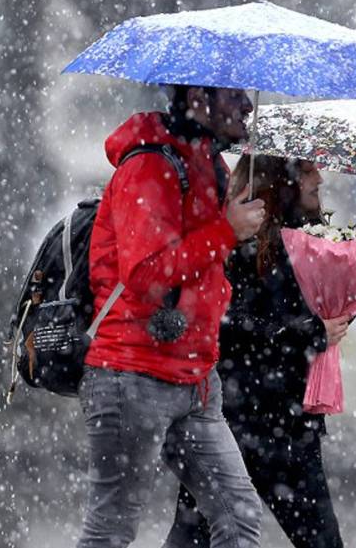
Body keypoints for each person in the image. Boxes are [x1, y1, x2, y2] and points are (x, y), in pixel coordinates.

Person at [80, 85, 266, 548]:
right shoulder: (149, 166)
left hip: (196, 379)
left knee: (238, 516)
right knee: (111, 529)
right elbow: (146, 273)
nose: (247, 105)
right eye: (232, 94)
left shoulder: (210, 166)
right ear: (197, 97)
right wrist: (226, 230)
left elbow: (207, 265)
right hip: (132, 374)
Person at [166, 154, 351, 548]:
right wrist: (308, 333)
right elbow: (229, 325)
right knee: (194, 537)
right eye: (306, 170)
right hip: (234, 421)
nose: (318, 176)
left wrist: (342, 308)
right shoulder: (237, 242)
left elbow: (308, 321)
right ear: (280, 180)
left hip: (290, 424)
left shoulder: (313, 240)